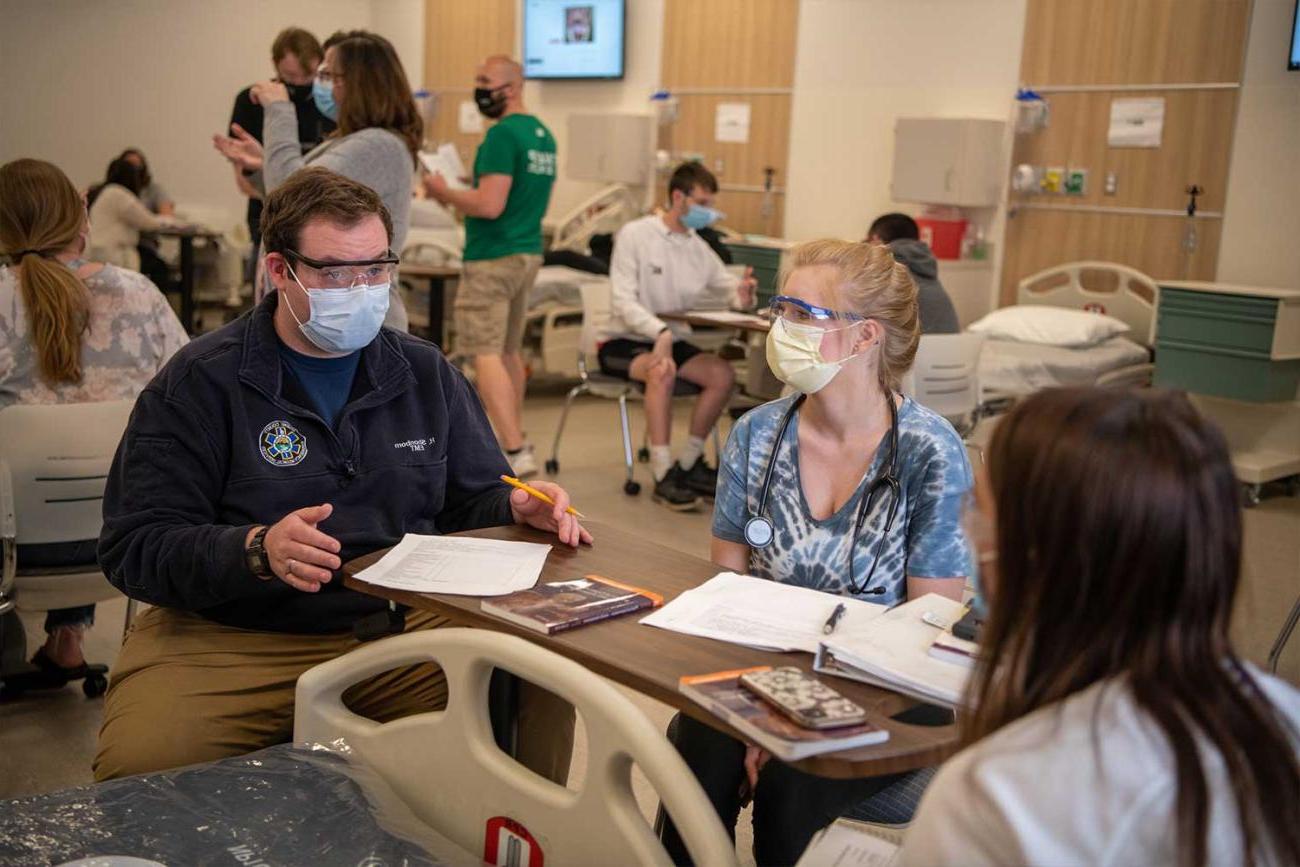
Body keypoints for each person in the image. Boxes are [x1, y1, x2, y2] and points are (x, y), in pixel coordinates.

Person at [92, 167, 584, 784]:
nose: (359, 289)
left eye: (376, 269)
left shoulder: (423, 373)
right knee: (140, 779)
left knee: (541, 675)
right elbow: (132, 546)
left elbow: (472, 499)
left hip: (395, 629)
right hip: (229, 635)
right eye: (333, 273)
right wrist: (253, 550)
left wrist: (516, 509)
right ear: (279, 270)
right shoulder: (200, 383)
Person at [659, 239, 971, 865]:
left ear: (864, 338)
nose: (782, 328)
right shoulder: (756, 435)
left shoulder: (929, 452)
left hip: (891, 692)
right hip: (763, 673)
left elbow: (927, 636)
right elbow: (725, 596)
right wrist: (758, 713)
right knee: (696, 744)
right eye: (781, 310)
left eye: (804, 315)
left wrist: (789, 724)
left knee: (795, 782)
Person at [900, 387, 1300, 867]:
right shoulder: (1281, 717)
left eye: (978, 513)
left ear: (1032, 558)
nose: (966, 531)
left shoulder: (998, 798)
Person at [0, 158, 187, 682]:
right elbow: (190, 400)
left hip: (14, 548)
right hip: (123, 540)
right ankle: (67, 638)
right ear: (78, 220)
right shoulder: (141, 295)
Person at [214, 29, 419, 331]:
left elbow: (293, 190)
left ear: (359, 85)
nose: (319, 87)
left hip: (349, 321)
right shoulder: (352, 141)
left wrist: (279, 109)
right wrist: (261, 164)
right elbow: (293, 196)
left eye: (329, 77)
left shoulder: (379, 145)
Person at [421, 55, 556, 479]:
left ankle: (513, 449)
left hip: (493, 255)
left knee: (485, 353)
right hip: (527, 251)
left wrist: (443, 191)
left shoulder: (501, 136)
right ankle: (515, 438)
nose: (478, 87)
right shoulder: (543, 136)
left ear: (510, 89)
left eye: (485, 80)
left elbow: (489, 204)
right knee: (509, 350)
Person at [598, 163, 756, 511]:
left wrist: (742, 294)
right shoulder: (636, 235)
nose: (707, 212)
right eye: (701, 202)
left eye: (710, 204)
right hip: (623, 339)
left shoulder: (697, 248)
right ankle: (661, 472)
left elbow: (726, 288)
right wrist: (660, 332)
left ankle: (687, 464)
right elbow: (622, 301)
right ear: (677, 197)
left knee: (723, 375)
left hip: (671, 337)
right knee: (662, 370)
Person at [226, 27, 336, 274]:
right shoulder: (252, 102)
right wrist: (266, 169)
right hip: (269, 220)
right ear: (275, 67)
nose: (299, 84)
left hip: (324, 223)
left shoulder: (330, 103)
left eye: (308, 76)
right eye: (291, 76)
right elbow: (244, 183)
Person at [866, 213, 959, 334]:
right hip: (952, 349)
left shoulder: (886, 271)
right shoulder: (925, 267)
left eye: (867, 242)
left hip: (918, 350)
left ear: (875, 239)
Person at [85, 157, 176, 277]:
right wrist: (168, 220)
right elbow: (148, 222)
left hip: (94, 251)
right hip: (113, 254)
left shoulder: (100, 191)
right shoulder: (119, 194)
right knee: (159, 268)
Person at [117, 148, 174, 296]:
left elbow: (166, 215)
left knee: (159, 268)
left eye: (137, 166)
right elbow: (149, 222)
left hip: (144, 245)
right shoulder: (118, 193)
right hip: (122, 246)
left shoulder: (153, 190)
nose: (133, 171)